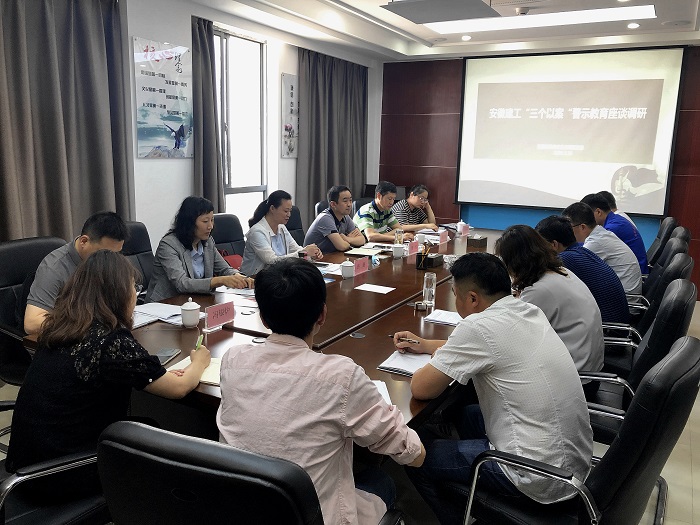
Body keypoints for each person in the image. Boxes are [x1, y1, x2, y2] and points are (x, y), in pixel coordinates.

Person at [217, 258, 425, 525]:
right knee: (382, 480)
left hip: (243, 510)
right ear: (322, 315)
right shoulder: (341, 377)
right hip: (311, 516)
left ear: (263, 318)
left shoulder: (232, 360)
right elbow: (412, 453)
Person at [393, 253, 592, 525]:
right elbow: (487, 345)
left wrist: (435, 359)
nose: (456, 301)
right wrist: (426, 345)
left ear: (473, 299)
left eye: (455, 295)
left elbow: (421, 388)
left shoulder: (478, 327)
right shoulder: (526, 310)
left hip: (535, 476)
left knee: (415, 456)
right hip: (572, 466)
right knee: (466, 414)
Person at [7, 250, 211, 500]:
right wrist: (199, 362)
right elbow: (178, 388)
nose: (135, 294)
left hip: (25, 465)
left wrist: (154, 372)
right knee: (154, 432)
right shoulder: (111, 341)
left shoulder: (61, 327)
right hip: (60, 474)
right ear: (118, 293)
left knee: (142, 425)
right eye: (133, 287)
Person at [494, 225, 604, 383]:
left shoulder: (539, 290)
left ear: (515, 262)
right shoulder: (560, 272)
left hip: (575, 380)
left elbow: (512, 339)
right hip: (589, 369)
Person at [24, 211, 128, 335]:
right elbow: (31, 323)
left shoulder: (112, 261)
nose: (112, 260)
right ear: (84, 241)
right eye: (104, 253)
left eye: (117, 253)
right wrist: (89, 323)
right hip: (68, 338)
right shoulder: (54, 268)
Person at [147, 196, 253, 303]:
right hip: (165, 304)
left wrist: (239, 277)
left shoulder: (208, 241)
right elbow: (182, 283)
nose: (210, 226)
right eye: (205, 221)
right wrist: (219, 280)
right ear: (189, 223)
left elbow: (224, 269)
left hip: (195, 301)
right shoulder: (169, 245)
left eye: (212, 220)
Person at [536, 215, 629, 323]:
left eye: (541, 245)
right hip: (616, 322)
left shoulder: (565, 260)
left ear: (553, 244)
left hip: (608, 327)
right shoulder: (582, 252)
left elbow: (545, 292)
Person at [562, 202, 643, 295]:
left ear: (582, 227)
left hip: (625, 299)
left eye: (569, 228)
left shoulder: (595, 243)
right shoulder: (601, 234)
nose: (567, 231)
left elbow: (573, 273)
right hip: (624, 293)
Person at [240, 190, 322, 276]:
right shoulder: (257, 232)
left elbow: (295, 249)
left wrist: (311, 255)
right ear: (272, 208)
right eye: (286, 211)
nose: (289, 215)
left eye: (290, 211)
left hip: (277, 275)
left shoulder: (281, 227)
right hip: (253, 279)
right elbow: (271, 261)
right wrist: (304, 253)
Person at [581, 193, 648, 274]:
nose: (584, 219)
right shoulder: (616, 219)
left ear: (598, 212)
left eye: (587, 215)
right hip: (634, 270)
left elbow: (586, 253)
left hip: (637, 272)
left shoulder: (612, 228)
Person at [304, 185, 366, 253]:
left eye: (350, 200)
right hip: (315, 258)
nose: (349, 204)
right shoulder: (325, 218)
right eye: (345, 201)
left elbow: (362, 240)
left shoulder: (345, 216)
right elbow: (342, 246)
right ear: (333, 204)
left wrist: (347, 239)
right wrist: (350, 241)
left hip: (332, 255)